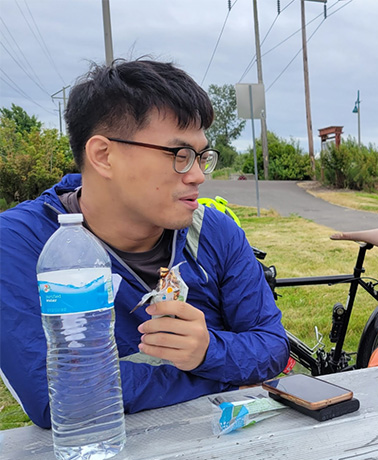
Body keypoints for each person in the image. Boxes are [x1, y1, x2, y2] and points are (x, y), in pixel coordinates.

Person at [0, 58, 290, 429]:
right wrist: (223, 370)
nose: (198, 176)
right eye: (180, 156)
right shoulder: (20, 243)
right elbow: (55, 394)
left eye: (201, 157)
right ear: (104, 155)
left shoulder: (214, 230)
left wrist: (206, 350)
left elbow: (272, 346)